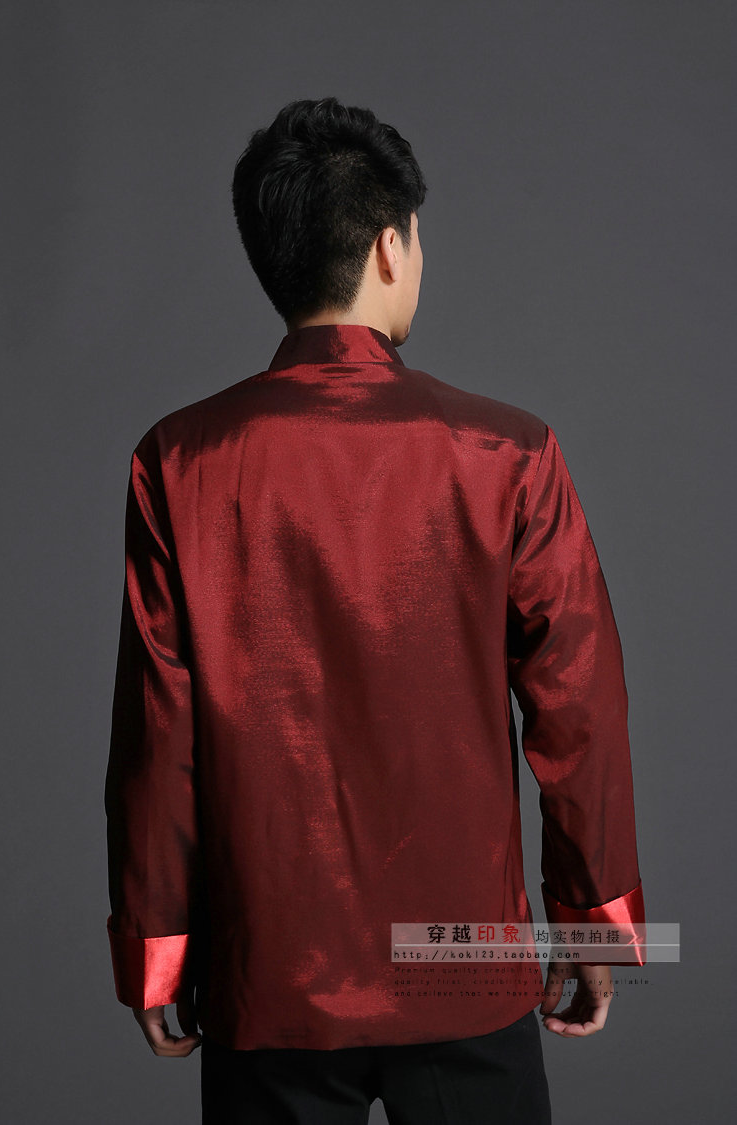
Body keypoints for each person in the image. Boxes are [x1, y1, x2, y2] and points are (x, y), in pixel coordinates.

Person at [105, 97, 645, 1124]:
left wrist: (156, 947)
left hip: (271, 973)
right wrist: (593, 924)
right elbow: (580, 712)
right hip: (464, 967)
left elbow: (155, 738)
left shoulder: (178, 461)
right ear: (391, 246)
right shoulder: (509, 453)